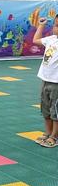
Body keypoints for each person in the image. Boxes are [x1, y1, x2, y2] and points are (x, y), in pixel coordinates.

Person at [32, 15, 58, 148]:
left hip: (56, 83)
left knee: (55, 111)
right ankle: (48, 133)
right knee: (45, 108)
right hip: (45, 80)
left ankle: (54, 136)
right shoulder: (51, 40)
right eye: (56, 25)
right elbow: (35, 40)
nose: (56, 28)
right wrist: (41, 25)